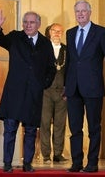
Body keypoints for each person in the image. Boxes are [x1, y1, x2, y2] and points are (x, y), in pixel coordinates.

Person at [0, 9, 56, 173]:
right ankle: (7, 163)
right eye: (25, 22)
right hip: (14, 93)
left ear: (39, 24)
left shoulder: (45, 43)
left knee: (30, 130)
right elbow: (0, 40)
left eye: (32, 22)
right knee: (10, 129)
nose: (28, 25)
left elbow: (51, 68)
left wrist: (43, 84)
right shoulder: (15, 37)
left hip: (34, 94)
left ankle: (27, 163)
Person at [64, 0, 105, 172]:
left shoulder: (101, 33)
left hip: (93, 87)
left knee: (94, 127)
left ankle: (92, 163)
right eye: (77, 11)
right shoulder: (70, 33)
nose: (80, 14)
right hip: (73, 88)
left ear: (90, 12)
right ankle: (76, 162)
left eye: (83, 11)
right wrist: (66, 85)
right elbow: (71, 62)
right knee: (75, 128)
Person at [40, 23, 68, 164]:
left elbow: (69, 70)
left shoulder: (66, 50)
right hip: (46, 91)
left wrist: (68, 88)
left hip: (62, 92)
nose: (57, 33)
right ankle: (45, 154)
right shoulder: (43, 48)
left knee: (60, 124)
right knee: (44, 123)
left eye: (60, 31)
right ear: (49, 32)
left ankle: (58, 154)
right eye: (55, 31)